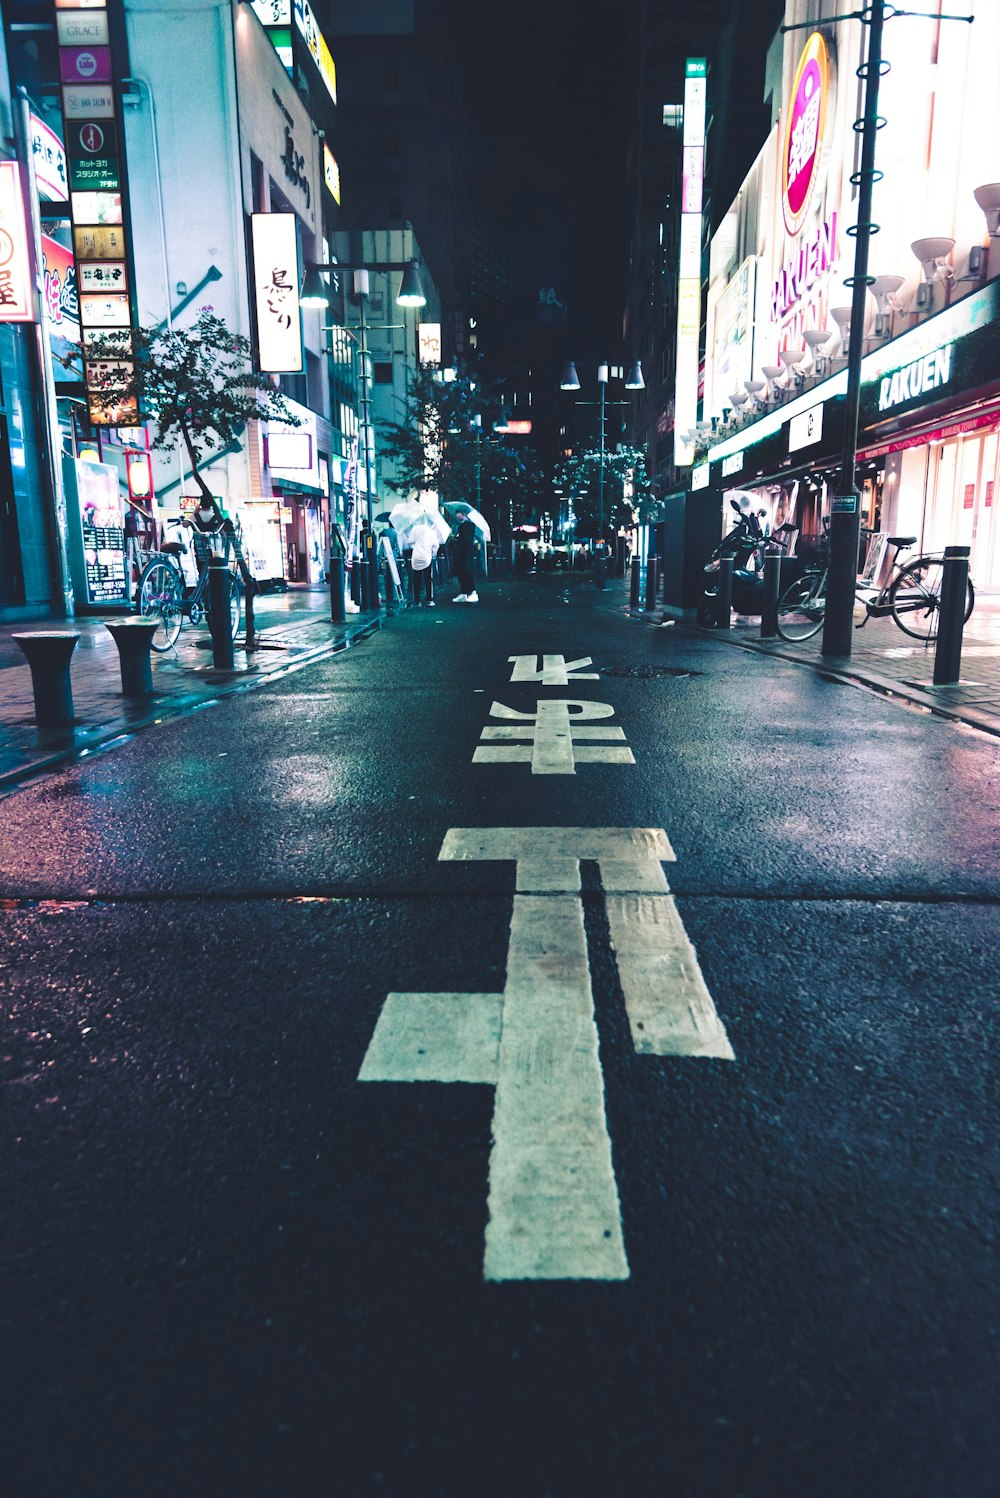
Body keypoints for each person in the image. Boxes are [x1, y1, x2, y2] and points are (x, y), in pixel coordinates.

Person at [183, 493, 256, 596]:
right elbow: (223, 533)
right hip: (214, 549)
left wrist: (195, 511)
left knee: (202, 570)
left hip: (199, 549)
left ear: (200, 504)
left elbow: (185, 524)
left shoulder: (195, 516)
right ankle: (215, 593)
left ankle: (202, 593)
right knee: (215, 570)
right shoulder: (215, 516)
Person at [452, 517, 479, 603]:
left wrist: (458, 542)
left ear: (464, 515)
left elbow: (466, 542)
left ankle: (473, 593)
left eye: (459, 513)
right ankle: (464, 593)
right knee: (462, 573)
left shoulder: (467, 526)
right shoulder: (462, 526)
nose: (457, 515)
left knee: (467, 573)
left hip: (465, 554)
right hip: (462, 554)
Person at [410, 523, 437, 606]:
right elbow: (436, 545)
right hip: (426, 557)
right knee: (428, 579)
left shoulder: (414, 529)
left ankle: (417, 601)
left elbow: (410, 542)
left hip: (416, 557)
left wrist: (415, 547)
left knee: (416, 579)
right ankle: (429, 600)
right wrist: (433, 554)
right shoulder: (431, 531)